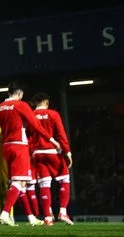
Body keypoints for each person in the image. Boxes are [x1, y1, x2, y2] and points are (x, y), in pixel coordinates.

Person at [0, 83, 59, 226]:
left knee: (20, 184)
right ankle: (5, 214)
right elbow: (36, 125)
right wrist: (51, 139)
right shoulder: (21, 105)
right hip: (19, 146)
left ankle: (31, 217)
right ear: (19, 94)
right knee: (19, 182)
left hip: (6, 148)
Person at [31, 92, 74, 225]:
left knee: (44, 183)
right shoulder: (53, 114)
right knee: (65, 178)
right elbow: (61, 134)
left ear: (35, 103)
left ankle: (48, 218)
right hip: (52, 151)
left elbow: (26, 135)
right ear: (47, 103)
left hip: (37, 153)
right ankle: (62, 211)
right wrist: (68, 153)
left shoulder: (30, 115)